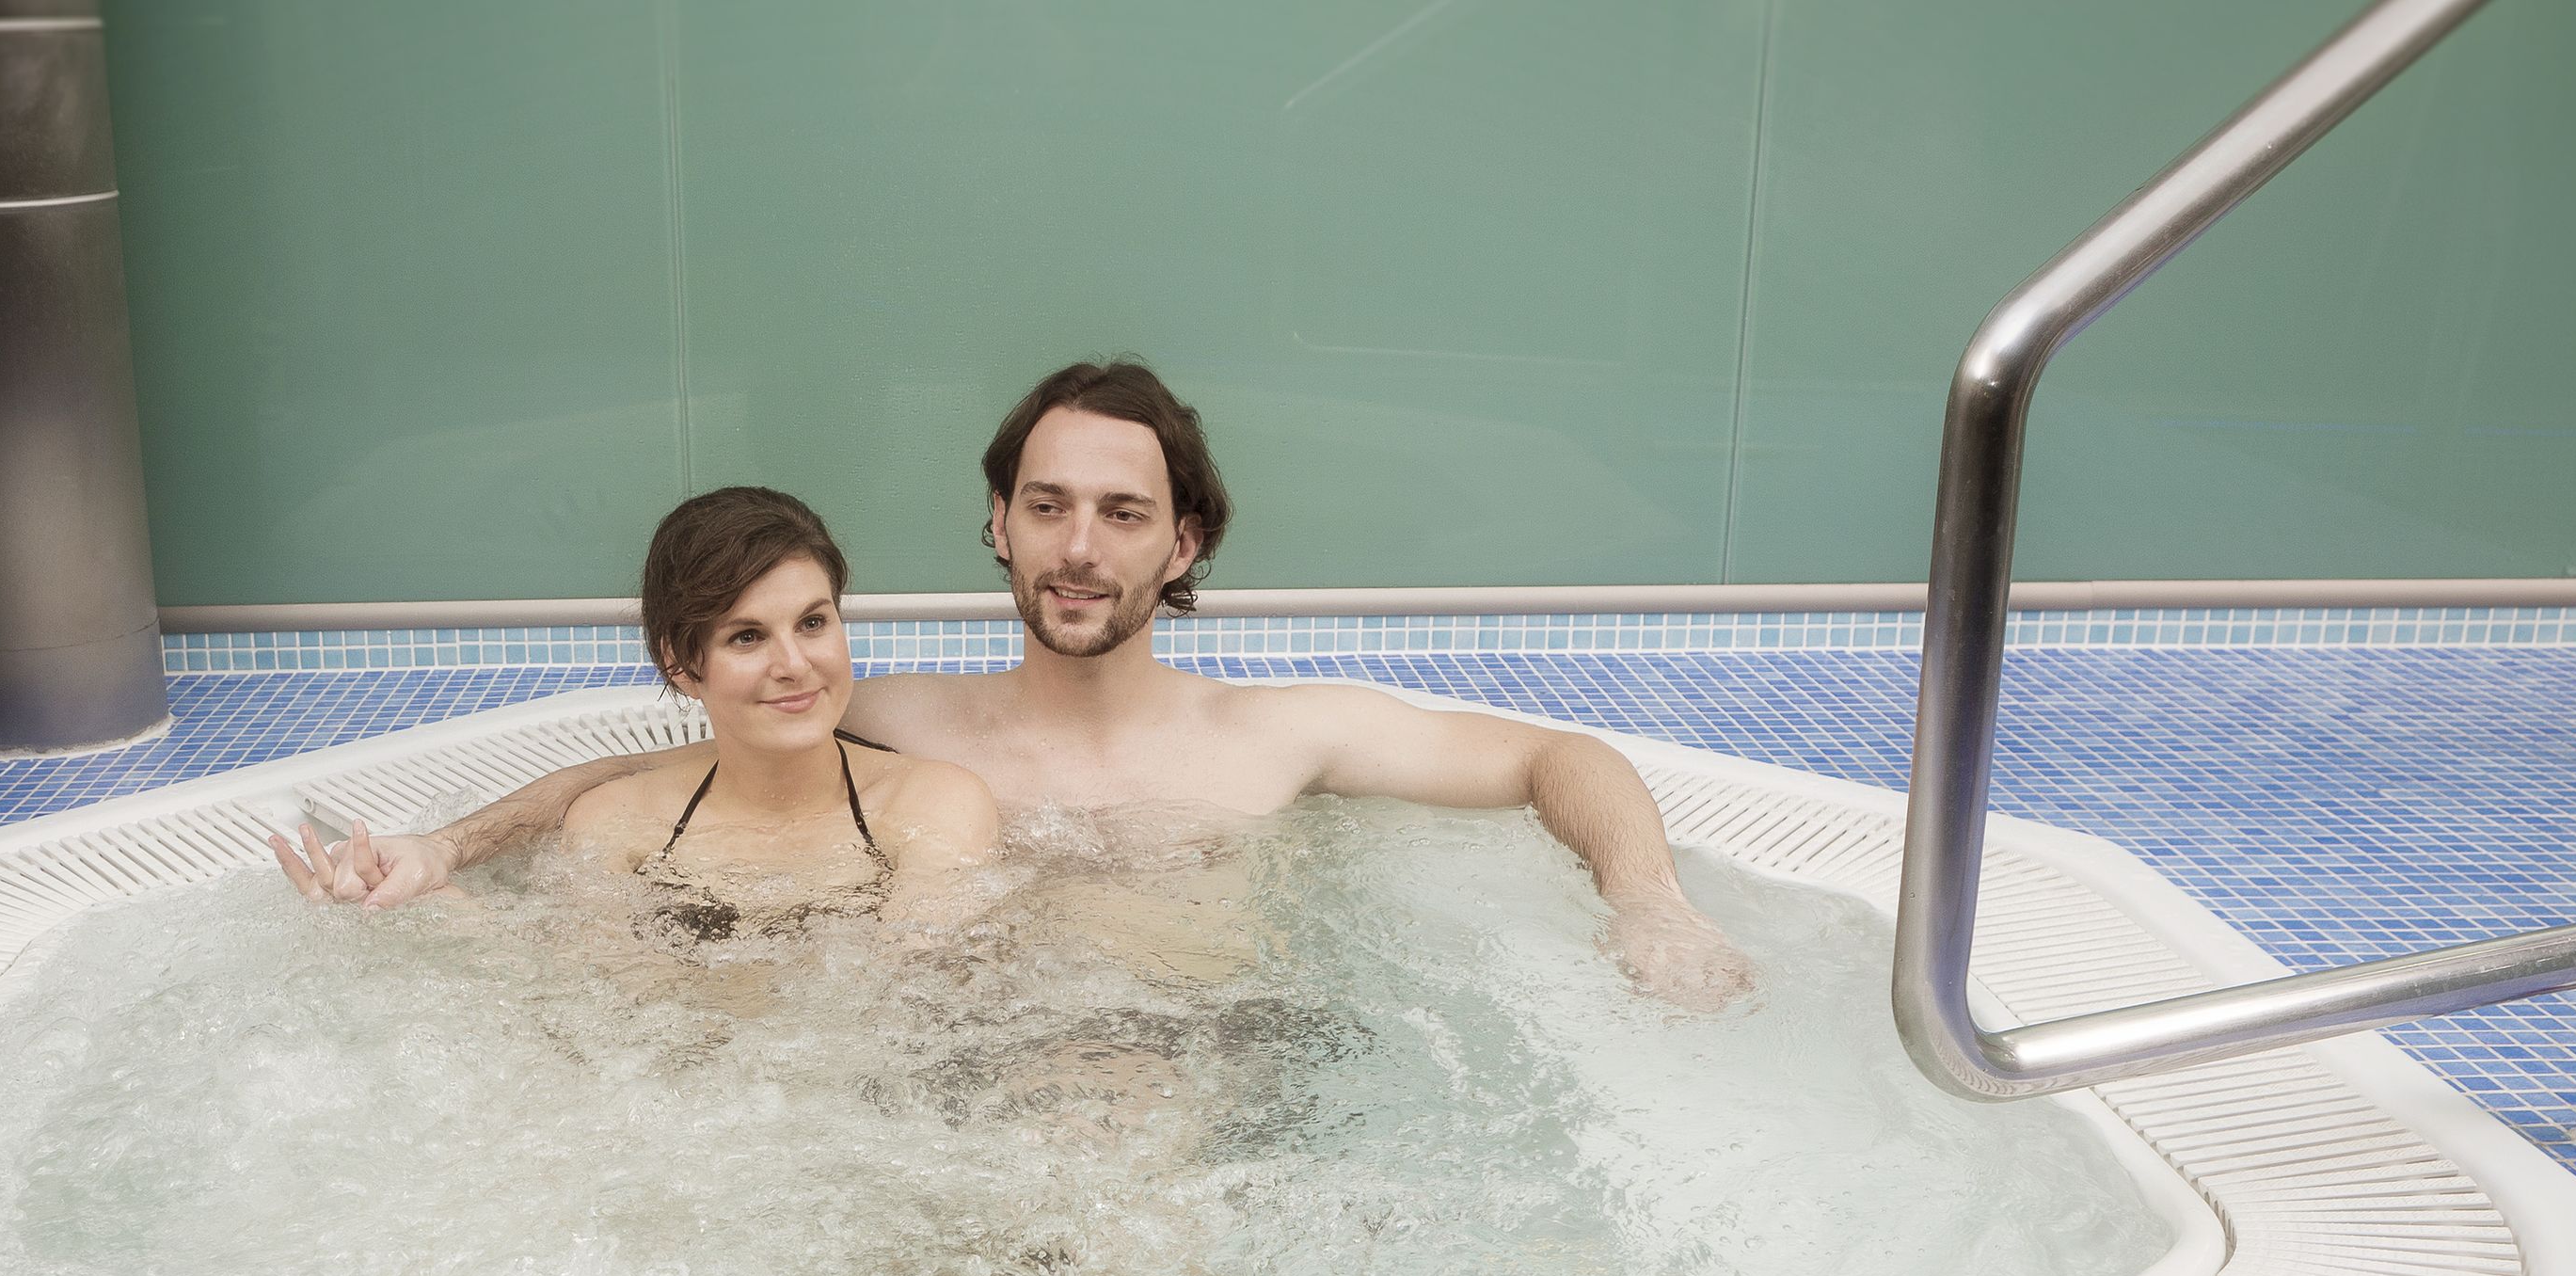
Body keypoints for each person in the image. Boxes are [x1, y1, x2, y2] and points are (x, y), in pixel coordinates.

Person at [282, 359, 1755, 1012]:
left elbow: (1564, 761)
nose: (1077, 547)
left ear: (1185, 543)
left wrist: (1651, 905)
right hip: (929, 1055)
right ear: (996, 524)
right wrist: (448, 848)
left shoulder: (1282, 737)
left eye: (1122, 515)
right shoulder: (898, 719)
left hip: (1184, 1062)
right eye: (1044, 506)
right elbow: (637, 780)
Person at [276, 486, 996, 940]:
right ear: (681, 666)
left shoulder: (934, 803)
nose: (795, 664)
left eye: (813, 623)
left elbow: (910, 1003)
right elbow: (593, 1010)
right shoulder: (618, 825)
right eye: (747, 637)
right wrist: (435, 901)